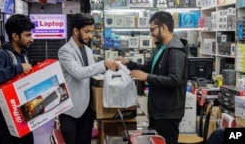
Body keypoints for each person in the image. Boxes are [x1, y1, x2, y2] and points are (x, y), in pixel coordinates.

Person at [117, 11, 188, 144]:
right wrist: (129, 63)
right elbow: (150, 68)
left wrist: (147, 77)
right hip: (158, 111)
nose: (151, 33)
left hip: (168, 113)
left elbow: (175, 80)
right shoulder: (162, 48)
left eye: (152, 29)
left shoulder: (175, 52)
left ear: (163, 28)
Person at [58, 13, 118, 144]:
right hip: (70, 111)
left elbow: (90, 74)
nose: (90, 36)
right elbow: (78, 73)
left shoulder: (88, 51)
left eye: (91, 32)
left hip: (87, 110)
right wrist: (103, 64)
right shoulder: (65, 51)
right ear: (75, 30)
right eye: (87, 31)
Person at [0, 14, 35, 144]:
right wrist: (18, 68)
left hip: (25, 116)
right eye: (27, 35)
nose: (31, 39)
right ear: (15, 36)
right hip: (6, 121)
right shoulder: (2, 55)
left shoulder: (23, 54)